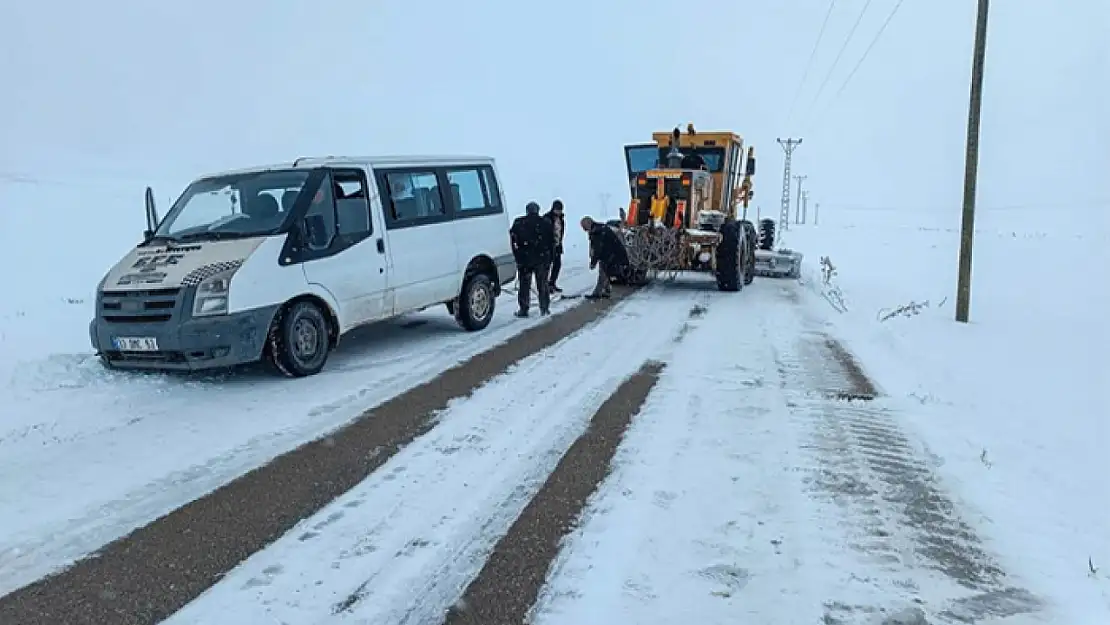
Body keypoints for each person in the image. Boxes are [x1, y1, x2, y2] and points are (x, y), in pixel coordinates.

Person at [509, 201, 555, 317]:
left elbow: (512, 240)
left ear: (527, 210)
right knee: (542, 284)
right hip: (542, 258)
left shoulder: (519, 223)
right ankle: (544, 308)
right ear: (538, 210)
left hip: (525, 259)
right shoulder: (546, 222)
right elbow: (552, 242)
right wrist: (551, 258)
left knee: (524, 285)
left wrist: (517, 255)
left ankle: (524, 309)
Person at [580, 216, 629, 300]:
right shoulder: (599, 229)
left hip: (611, 254)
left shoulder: (598, 232)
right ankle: (606, 290)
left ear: (589, 224)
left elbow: (598, 249)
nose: (585, 230)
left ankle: (597, 293)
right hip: (610, 254)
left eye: (584, 227)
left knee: (603, 273)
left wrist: (593, 262)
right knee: (605, 272)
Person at [543, 199, 566, 293]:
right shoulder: (547, 218)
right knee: (547, 266)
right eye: (557, 209)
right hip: (549, 246)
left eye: (560, 209)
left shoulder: (561, 219)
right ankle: (545, 286)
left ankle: (552, 283)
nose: (559, 211)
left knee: (557, 265)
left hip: (557, 245)